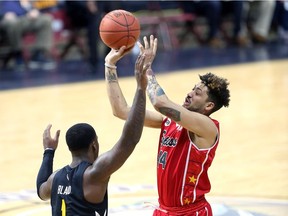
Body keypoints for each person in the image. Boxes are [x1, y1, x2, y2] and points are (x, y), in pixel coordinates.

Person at [105, 35, 231, 215]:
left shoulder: (207, 127)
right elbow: (122, 111)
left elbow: (160, 103)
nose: (189, 94)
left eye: (197, 93)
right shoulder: (170, 121)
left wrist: (147, 68)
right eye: (192, 89)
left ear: (209, 106)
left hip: (190, 212)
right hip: (164, 210)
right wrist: (110, 65)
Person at [36, 45, 149, 215]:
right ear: (94, 145)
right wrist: (141, 88)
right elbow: (130, 139)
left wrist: (49, 152)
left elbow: (40, 190)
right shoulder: (94, 174)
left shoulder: (55, 179)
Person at [0, 0, 55, 70]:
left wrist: (34, 11)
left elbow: (33, 7)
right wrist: (4, 13)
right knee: (12, 23)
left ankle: (38, 54)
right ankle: (18, 53)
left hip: (25, 18)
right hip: (7, 20)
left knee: (46, 19)